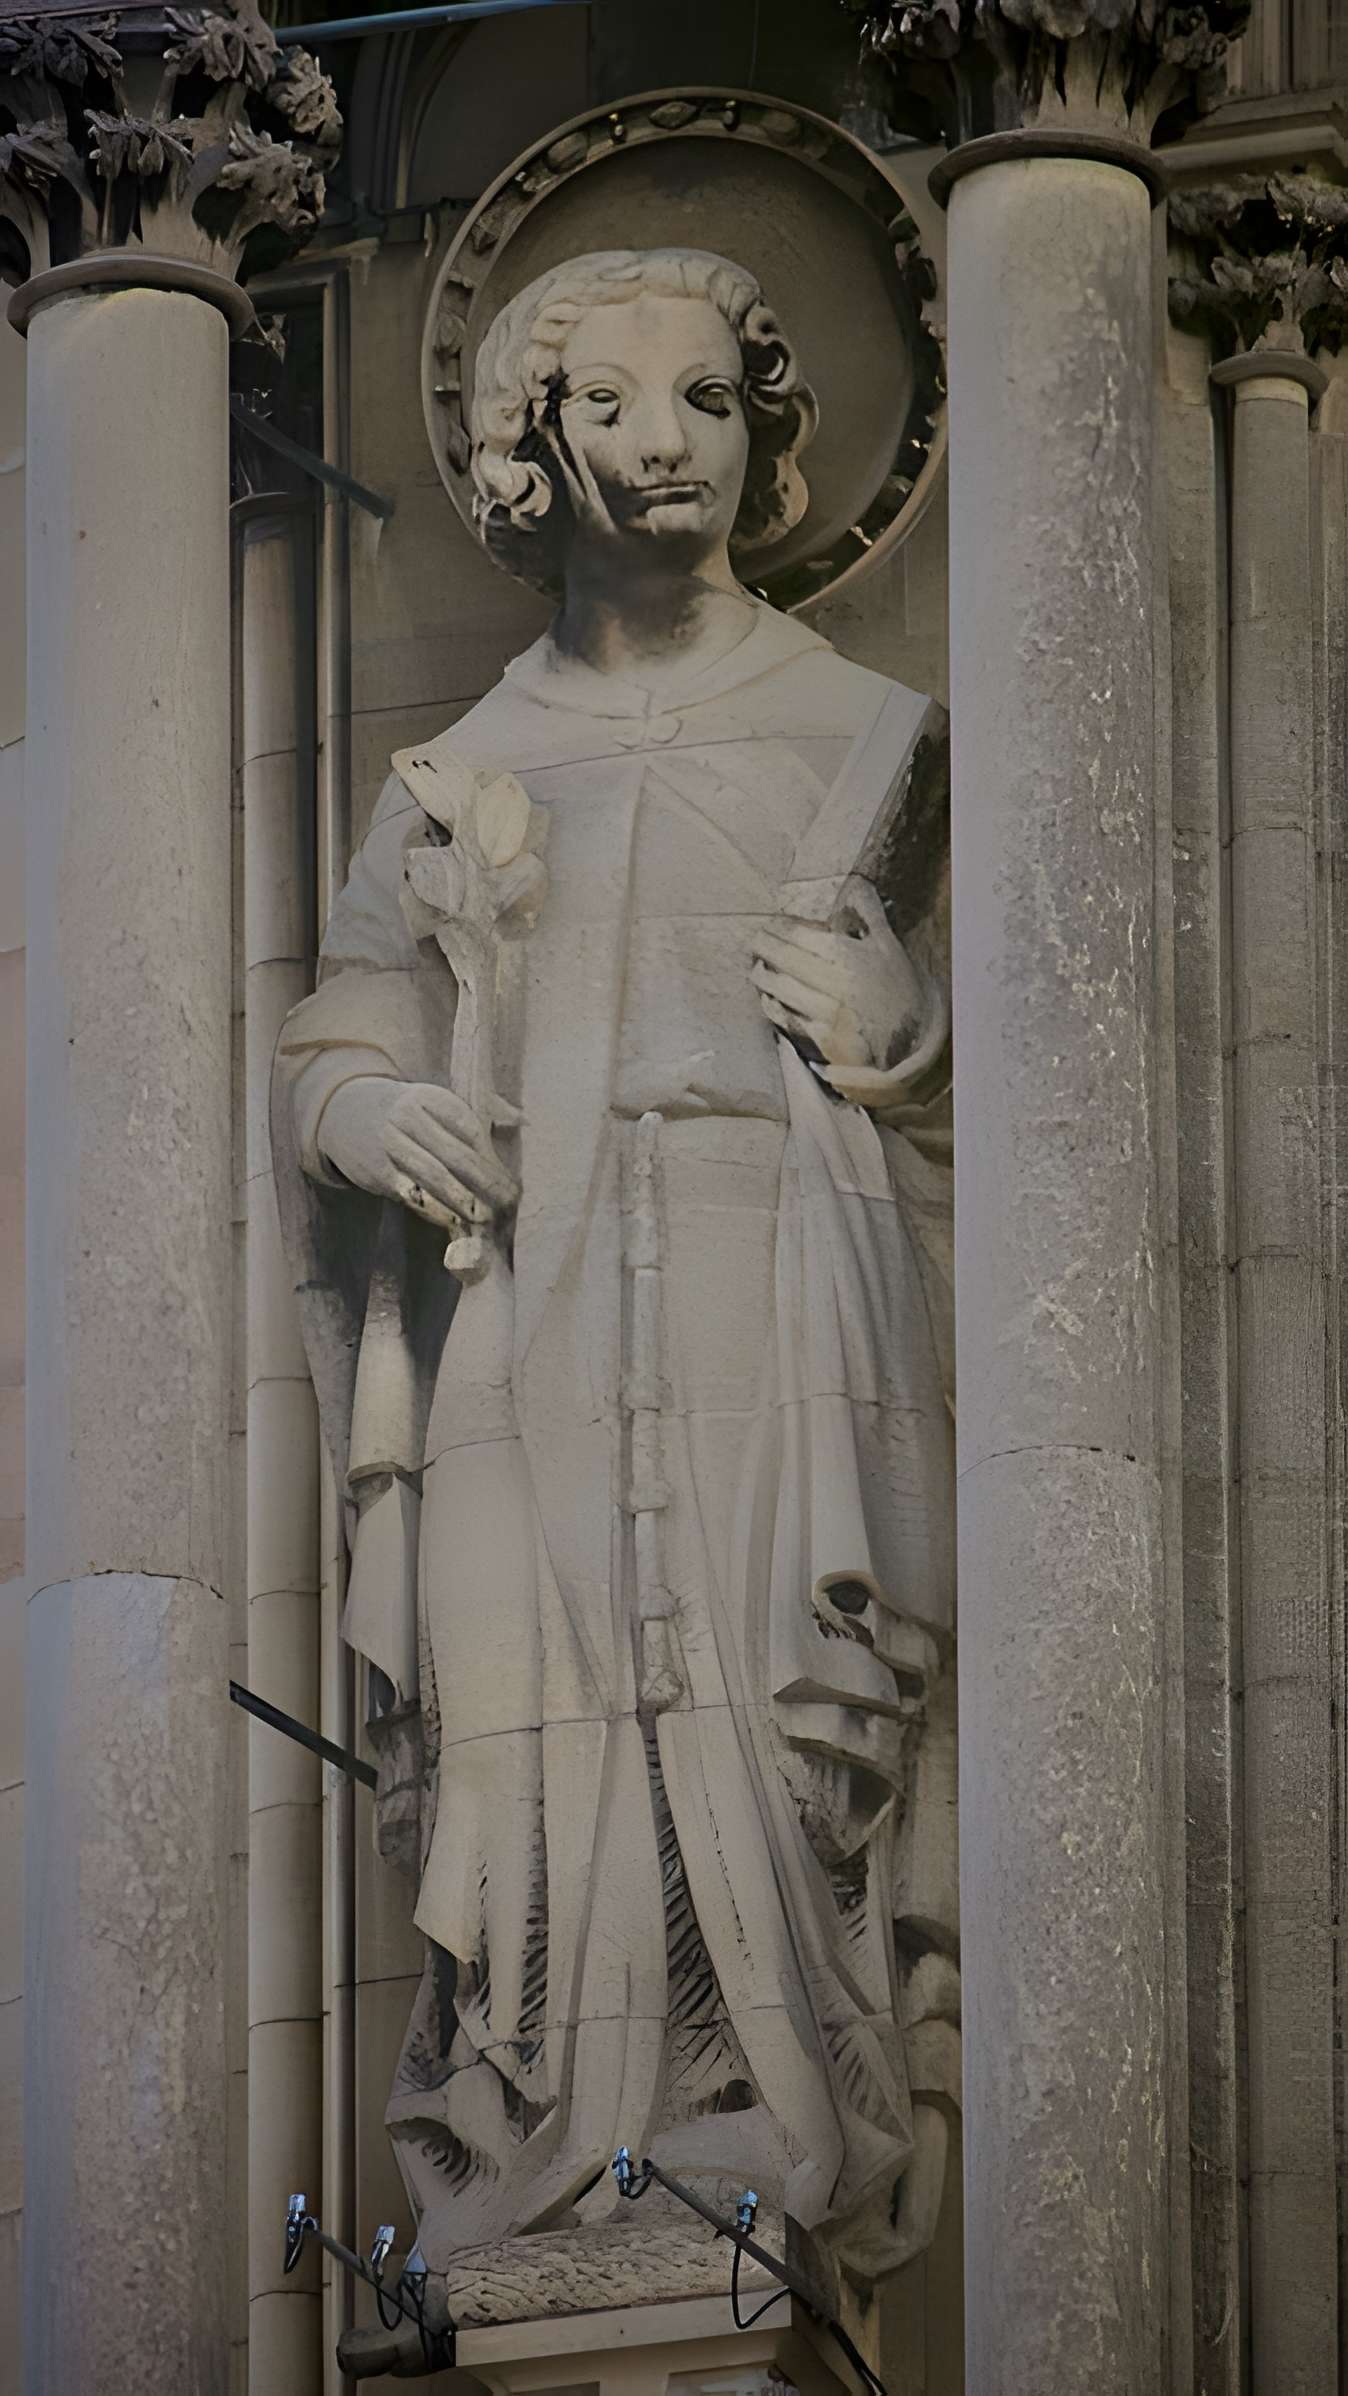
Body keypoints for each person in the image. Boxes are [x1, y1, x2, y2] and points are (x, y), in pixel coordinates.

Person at [273, 247, 959, 2311]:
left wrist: (897, 1018)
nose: (658, 444)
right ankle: (541, 2143)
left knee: (760, 1710)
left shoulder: (860, 731)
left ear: (762, 435)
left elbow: (1055, 1130)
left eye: (702, 403)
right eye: (605, 406)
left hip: (772, 1297)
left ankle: (765, 2108)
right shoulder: (455, 770)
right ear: (529, 450)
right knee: (516, 1725)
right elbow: (336, 1023)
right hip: (530, 1303)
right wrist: (366, 1111)